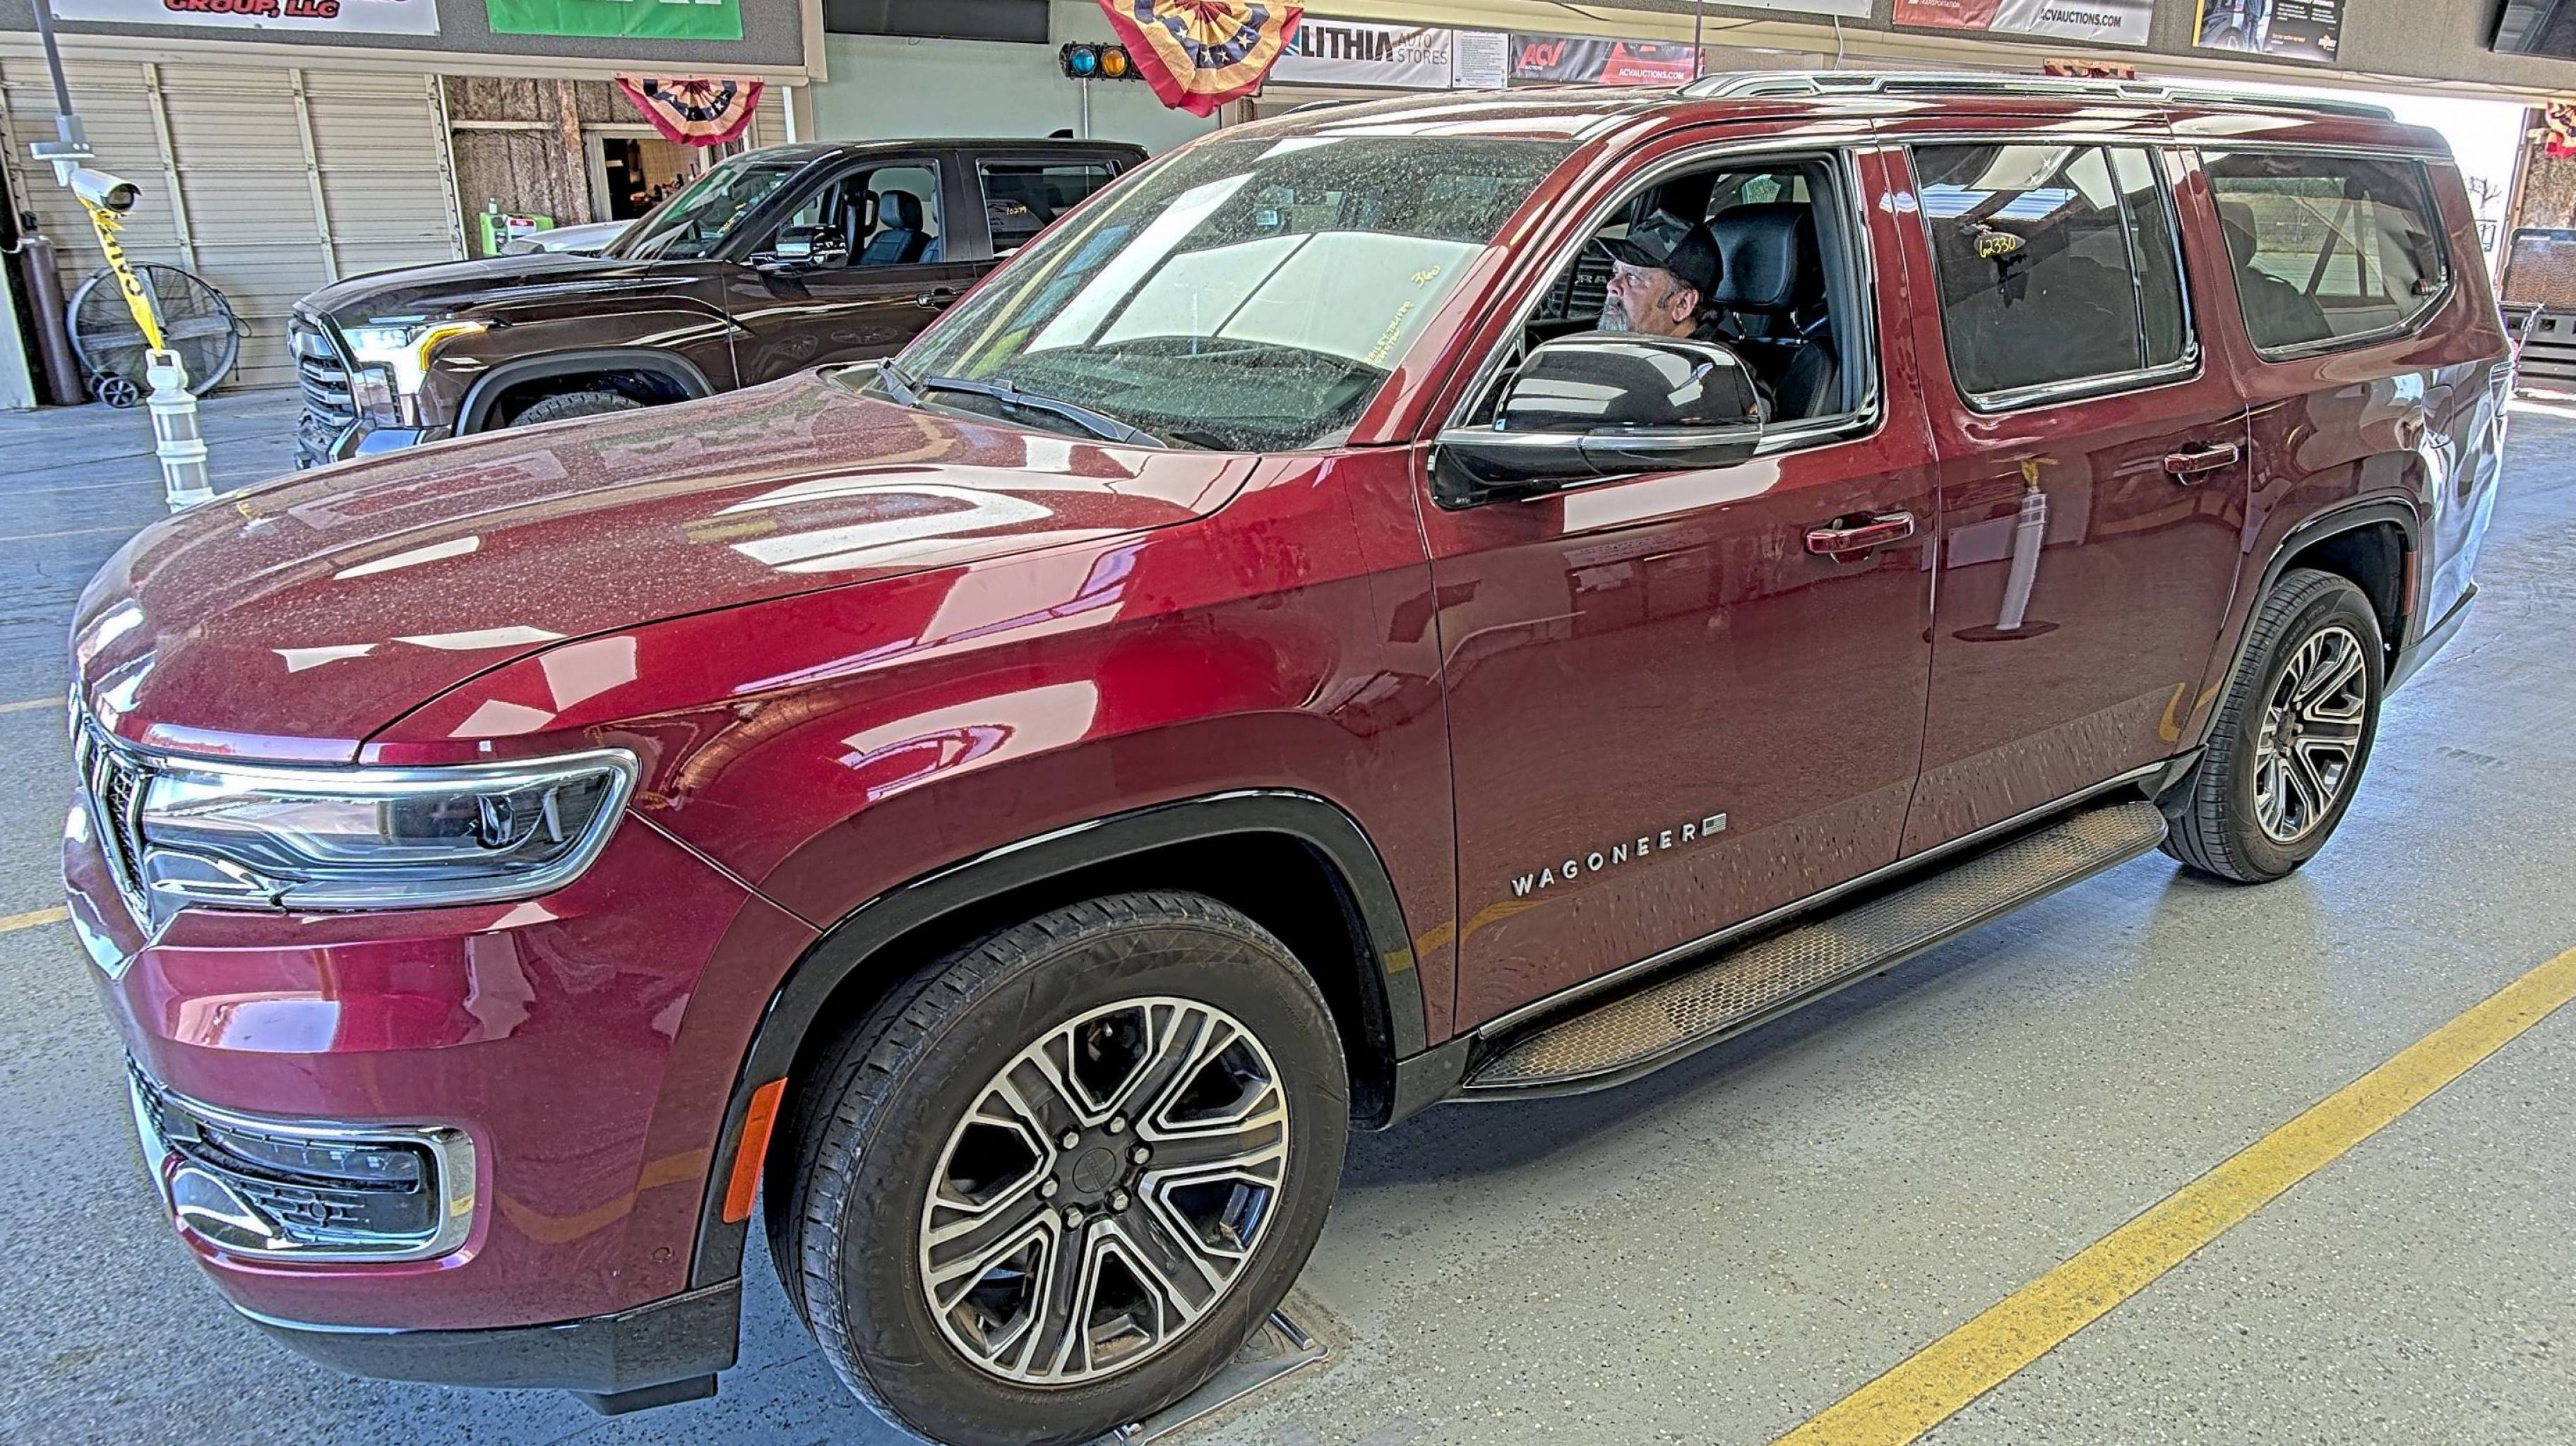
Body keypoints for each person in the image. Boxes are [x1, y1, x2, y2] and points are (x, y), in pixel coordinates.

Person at [1599, 210, 1770, 419]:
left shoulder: (1718, 380)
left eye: (1633, 278)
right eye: (1616, 272)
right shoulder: (1640, 355)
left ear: (1683, 304)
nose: (1612, 285)